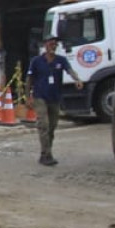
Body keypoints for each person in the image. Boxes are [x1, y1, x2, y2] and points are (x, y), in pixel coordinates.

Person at [25, 37, 79, 167]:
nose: (53, 46)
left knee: (52, 127)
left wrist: (77, 79)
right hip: (40, 97)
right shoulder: (36, 61)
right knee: (43, 124)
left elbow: (70, 70)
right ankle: (47, 154)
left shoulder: (61, 60)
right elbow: (29, 78)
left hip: (55, 97)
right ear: (45, 45)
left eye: (55, 44)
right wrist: (28, 97)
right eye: (50, 44)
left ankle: (46, 152)